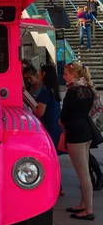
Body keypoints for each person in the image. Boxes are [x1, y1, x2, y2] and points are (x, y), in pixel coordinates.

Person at [61, 62, 96, 220]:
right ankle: (83, 204)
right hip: (87, 132)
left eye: (66, 73)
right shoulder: (88, 89)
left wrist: (62, 122)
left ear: (74, 74)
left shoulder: (72, 91)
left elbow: (65, 115)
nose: (64, 76)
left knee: (83, 174)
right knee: (85, 171)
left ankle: (88, 210)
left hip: (75, 133)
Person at [35, 64, 64, 195]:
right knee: (54, 159)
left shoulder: (44, 91)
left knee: (50, 159)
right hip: (55, 126)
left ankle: (56, 187)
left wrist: (33, 107)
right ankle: (59, 186)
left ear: (44, 74)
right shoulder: (54, 89)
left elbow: (40, 112)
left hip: (48, 128)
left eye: (40, 73)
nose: (38, 75)